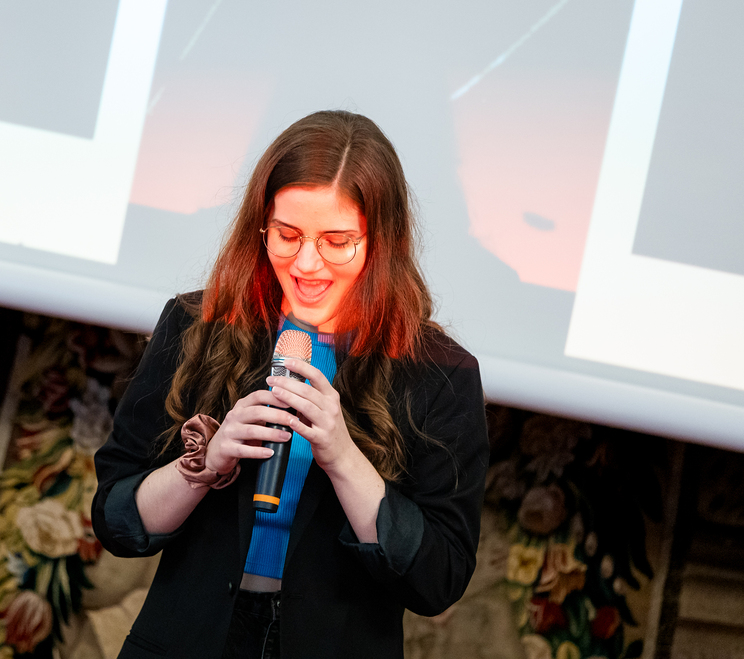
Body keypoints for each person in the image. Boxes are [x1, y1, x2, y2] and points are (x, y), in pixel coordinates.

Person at [91, 110, 488, 659]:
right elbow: (116, 521)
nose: (306, 264)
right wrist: (205, 467)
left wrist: (342, 457)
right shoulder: (197, 325)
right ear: (262, 226)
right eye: (287, 235)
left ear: (382, 241)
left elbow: (438, 580)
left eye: (337, 241)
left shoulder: (441, 375)